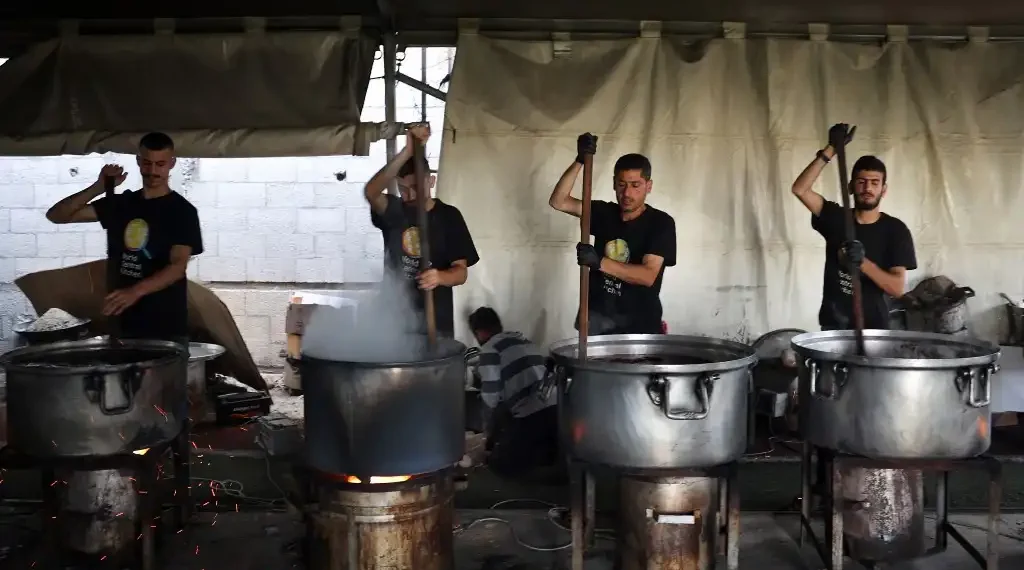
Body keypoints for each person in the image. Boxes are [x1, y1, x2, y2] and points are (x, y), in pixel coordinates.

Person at [45, 132, 203, 344]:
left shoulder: (182, 211)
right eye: (147, 163)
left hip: (165, 326)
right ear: (138, 161)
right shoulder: (122, 205)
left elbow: (177, 267)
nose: (153, 171)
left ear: (171, 164)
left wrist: (135, 292)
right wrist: (98, 187)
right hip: (122, 324)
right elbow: (57, 216)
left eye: (160, 164)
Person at [790, 123, 917, 330]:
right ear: (850, 186)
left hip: (874, 328)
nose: (867, 188)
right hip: (834, 324)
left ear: (883, 190)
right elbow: (800, 189)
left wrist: (862, 263)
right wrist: (831, 149)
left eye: (875, 183)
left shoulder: (895, 230)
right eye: (861, 182)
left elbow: (897, 288)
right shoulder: (836, 218)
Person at [548, 133, 677, 334]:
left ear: (648, 186)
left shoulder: (661, 223)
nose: (627, 193)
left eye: (635, 186)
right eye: (622, 184)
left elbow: (648, 276)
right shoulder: (602, 213)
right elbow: (559, 201)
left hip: (640, 327)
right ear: (614, 183)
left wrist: (600, 262)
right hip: (596, 321)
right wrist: (579, 161)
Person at [364, 124, 479, 337]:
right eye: (403, 190)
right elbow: (371, 192)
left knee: (434, 368)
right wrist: (407, 152)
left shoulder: (449, 216)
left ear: (431, 181)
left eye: (416, 188)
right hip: (394, 320)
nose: (409, 196)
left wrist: (439, 277)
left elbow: (461, 272)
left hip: (436, 322)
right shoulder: (395, 211)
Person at [468, 307, 560, 480]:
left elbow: (490, 398)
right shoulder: (523, 339)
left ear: (479, 332)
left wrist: (486, 433)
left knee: (500, 464)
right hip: (558, 411)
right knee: (542, 454)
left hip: (532, 416)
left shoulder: (489, 349)